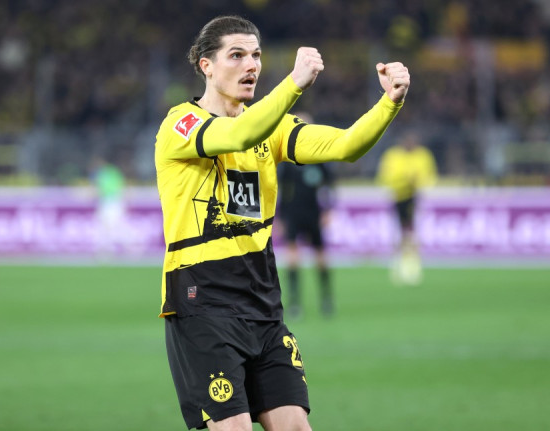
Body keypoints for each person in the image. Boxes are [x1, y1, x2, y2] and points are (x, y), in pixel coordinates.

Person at [154, 15, 409, 431]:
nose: (251, 65)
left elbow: (345, 146)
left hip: (263, 303)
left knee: (295, 427)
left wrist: (390, 102)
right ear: (206, 65)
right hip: (203, 303)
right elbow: (237, 136)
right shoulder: (181, 124)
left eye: (256, 55)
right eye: (237, 55)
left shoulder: (272, 128)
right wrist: (294, 84)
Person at [277, 112, 334, 319]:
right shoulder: (286, 158)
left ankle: (326, 300)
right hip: (293, 213)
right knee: (293, 257)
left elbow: (330, 185)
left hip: (313, 213)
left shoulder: (319, 156)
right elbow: (279, 189)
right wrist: (280, 217)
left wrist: (327, 210)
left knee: (320, 256)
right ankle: (294, 303)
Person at [376, 131, 437, 286]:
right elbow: (386, 176)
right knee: (398, 233)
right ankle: (397, 265)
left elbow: (429, 177)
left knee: (413, 233)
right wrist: (406, 179)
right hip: (397, 197)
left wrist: (416, 182)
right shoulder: (392, 155)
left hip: (416, 198)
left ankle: (413, 266)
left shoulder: (423, 155)